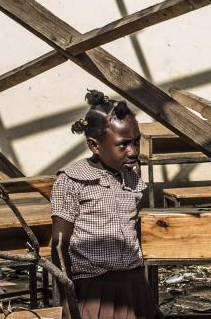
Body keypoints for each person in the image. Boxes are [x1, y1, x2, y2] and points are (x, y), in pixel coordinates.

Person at [51, 90, 161, 319]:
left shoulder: (132, 180)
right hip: (94, 290)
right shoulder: (72, 181)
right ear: (94, 145)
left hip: (134, 286)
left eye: (136, 142)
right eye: (123, 145)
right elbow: (59, 246)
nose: (133, 152)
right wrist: (68, 300)